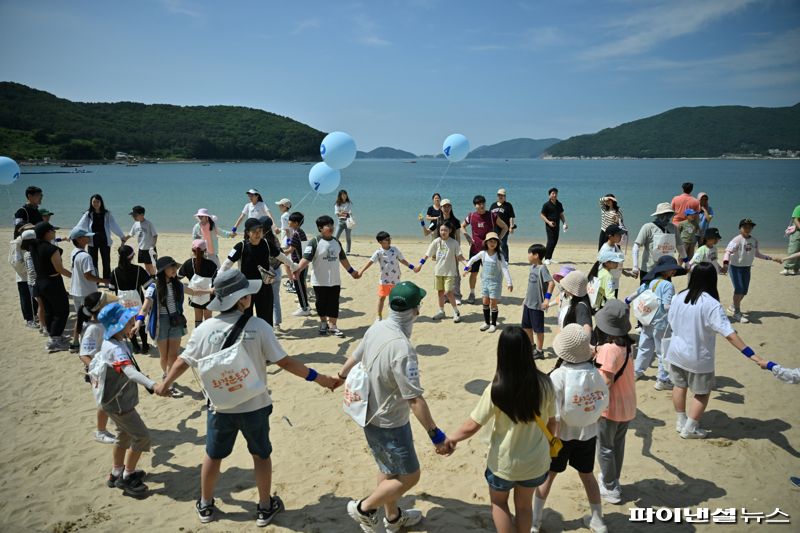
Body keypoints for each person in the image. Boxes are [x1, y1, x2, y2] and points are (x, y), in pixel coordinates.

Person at [155, 269, 340, 526]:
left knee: (213, 455)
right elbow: (285, 362)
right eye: (247, 294)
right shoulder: (258, 327)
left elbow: (183, 361)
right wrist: (319, 378)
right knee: (261, 455)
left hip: (219, 406)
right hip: (255, 404)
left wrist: (165, 383)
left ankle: (206, 505)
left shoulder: (205, 328)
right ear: (241, 299)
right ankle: (265, 508)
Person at [337, 282, 447, 533]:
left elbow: (356, 355)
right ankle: (364, 508)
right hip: (390, 421)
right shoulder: (402, 348)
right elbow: (414, 399)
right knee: (409, 476)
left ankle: (394, 518)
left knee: (387, 470)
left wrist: (340, 376)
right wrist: (436, 435)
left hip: (368, 413)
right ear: (415, 310)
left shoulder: (377, 327)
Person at [445, 326, 554, 533]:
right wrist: (549, 445)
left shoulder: (497, 388)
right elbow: (553, 423)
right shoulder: (546, 384)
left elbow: (472, 425)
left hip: (504, 462)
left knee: (499, 504)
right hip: (535, 460)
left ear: (502, 353)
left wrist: (451, 439)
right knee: (523, 506)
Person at [665, 262, 765, 439]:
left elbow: (671, 322)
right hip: (697, 357)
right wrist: (753, 355)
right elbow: (729, 334)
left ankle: (680, 420)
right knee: (702, 392)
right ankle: (689, 428)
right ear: (712, 280)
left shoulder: (679, 297)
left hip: (676, 352)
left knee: (679, 386)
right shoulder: (711, 304)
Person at [532, 324, 609, 533]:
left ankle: (534, 522)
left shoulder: (558, 375)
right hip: (588, 433)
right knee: (588, 475)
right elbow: (602, 402)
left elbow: (553, 415)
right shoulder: (594, 372)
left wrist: (550, 441)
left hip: (561, 436)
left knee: (548, 476)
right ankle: (597, 520)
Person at [95, 302, 158, 498]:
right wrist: (152, 384)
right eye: (129, 320)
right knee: (141, 436)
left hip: (114, 401)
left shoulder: (113, 341)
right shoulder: (116, 349)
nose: (132, 321)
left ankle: (116, 473)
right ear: (120, 325)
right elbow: (129, 372)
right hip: (119, 402)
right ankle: (128, 476)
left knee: (123, 434)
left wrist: (133, 328)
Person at [136, 256, 212, 398]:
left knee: (174, 355)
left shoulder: (178, 284)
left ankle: (169, 381)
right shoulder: (154, 286)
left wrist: (210, 291)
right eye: (171, 267)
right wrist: (138, 322)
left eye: (175, 267)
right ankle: (166, 374)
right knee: (164, 355)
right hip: (161, 323)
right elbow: (145, 307)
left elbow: (194, 291)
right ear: (163, 270)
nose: (174, 270)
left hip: (176, 321)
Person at [592, 300, 636, 505]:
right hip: (627, 404)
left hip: (611, 407)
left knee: (605, 447)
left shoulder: (609, 349)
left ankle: (610, 487)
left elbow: (606, 381)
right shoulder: (625, 345)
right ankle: (613, 479)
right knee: (618, 445)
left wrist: (592, 403)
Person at [294, 215, 360, 337]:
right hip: (319, 280)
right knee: (321, 304)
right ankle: (324, 322)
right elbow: (306, 259)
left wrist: (352, 272)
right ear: (320, 228)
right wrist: (297, 270)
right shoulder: (314, 242)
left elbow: (343, 259)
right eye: (327, 225)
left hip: (335, 280)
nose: (330, 227)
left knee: (334, 303)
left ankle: (333, 326)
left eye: (331, 225)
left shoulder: (336, 242)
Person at [221, 218, 295, 326]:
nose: (258, 234)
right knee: (246, 320)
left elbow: (280, 256)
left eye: (260, 231)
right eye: (254, 231)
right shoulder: (240, 247)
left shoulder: (266, 243)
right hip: (246, 289)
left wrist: (293, 266)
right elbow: (226, 264)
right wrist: (218, 280)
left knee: (265, 320)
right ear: (247, 232)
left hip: (264, 287)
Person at [626, 256, 684, 390]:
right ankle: (662, 379)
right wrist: (679, 306)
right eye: (672, 269)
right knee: (662, 351)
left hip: (646, 320)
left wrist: (627, 301)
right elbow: (666, 306)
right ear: (665, 270)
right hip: (661, 323)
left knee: (644, 346)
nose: (673, 272)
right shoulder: (668, 285)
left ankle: (637, 371)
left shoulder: (650, 281)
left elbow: (637, 292)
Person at [75, 291, 118, 444]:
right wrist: (98, 369)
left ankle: (115, 421)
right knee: (103, 402)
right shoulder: (93, 329)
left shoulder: (104, 323)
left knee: (113, 398)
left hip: (111, 369)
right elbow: (84, 354)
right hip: (101, 372)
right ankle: (100, 431)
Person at [722, 218, 781, 323]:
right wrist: (725, 264)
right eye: (745, 226)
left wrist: (771, 258)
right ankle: (737, 313)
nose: (747, 228)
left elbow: (757, 254)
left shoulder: (754, 240)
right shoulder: (736, 240)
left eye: (750, 227)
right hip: (735, 267)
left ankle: (733, 306)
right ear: (740, 228)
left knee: (744, 291)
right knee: (739, 289)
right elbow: (727, 252)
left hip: (747, 268)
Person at [31, 221, 72, 353]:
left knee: (49, 309)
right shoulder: (51, 249)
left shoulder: (33, 246)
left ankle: (54, 335)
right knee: (62, 310)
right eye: (52, 231)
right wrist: (74, 276)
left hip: (40, 281)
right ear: (47, 233)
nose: (54, 232)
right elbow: (59, 269)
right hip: (52, 282)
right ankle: (54, 341)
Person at [69, 228, 110, 352]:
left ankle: (75, 342)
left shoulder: (74, 252)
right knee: (91, 319)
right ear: (79, 239)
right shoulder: (86, 256)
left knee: (80, 317)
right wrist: (105, 281)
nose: (89, 238)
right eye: (86, 236)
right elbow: (88, 276)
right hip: (86, 292)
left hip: (76, 291)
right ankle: (88, 344)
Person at [414, 223, 465, 323]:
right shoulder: (436, 242)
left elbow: (460, 256)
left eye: (445, 230)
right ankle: (441, 311)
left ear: (450, 231)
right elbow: (427, 255)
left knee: (448, 292)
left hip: (450, 272)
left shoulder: (454, 243)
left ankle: (456, 312)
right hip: (438, 271)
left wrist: (467, 264)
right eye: (441, 230)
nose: (443, 232)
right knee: (440, 292)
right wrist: (420, 265)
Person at [462, 195, 509, 304]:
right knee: (473, 273)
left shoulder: (492, 216)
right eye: (478, 204)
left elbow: (505, 227)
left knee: (493, 273)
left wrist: (498, 239)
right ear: (475, 206)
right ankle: (472, 293)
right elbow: (462, 226)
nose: (481, 205)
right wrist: (467, 236)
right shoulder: (471, 216)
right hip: (475, 249)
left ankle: (493, 293)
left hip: (490, 251)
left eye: (483, 203)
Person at [463, 232, 513, 333]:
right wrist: (466, 268)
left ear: (497, 243)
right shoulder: (483, 253)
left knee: (493, 303)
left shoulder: (499, 256)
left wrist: (509, 282)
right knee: (485, 302)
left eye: (494, 241)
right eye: (490, 241)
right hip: (485, 282)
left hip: (495, 283)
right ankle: (486, 322)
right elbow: (472, 259)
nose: (492, 243)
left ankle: (493, 324)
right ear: (486, 243)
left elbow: (504, 268)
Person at [359, 231, 414, 320]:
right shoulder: (378, 252)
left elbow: (403, 260)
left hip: (396, 279)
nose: (389, 241)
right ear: (380, 242)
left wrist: (412, 267)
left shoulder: (395, 250)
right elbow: (370, 262)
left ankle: (393, 315)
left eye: (389, 238)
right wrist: (361, 271)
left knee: (394, 298)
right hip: (384, 280)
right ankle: (379, 315)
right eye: (386, 239)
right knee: (382, 298)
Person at [109, 245, 150, 354]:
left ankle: (136, 346)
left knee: (128, 324)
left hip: (123, 303)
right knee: (140, 322)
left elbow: (111, 288)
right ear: (132, 257)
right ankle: (145, 345)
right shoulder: (138, 270)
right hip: (138, 300)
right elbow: (148, 286)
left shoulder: (115, 272)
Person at [76, 194, 128, 279]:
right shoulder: (88, 214)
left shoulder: (107, 214)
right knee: (93, 262)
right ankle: (95, 280)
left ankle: (106, 279)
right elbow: (80, 225)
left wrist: (121, 236)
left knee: (106, 261)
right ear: (91, 202)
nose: (95, 203)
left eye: (97, 201)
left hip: (104, 240)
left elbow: (114, 225)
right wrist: (73, 235)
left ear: (101, 202)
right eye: (94, 202)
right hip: (92, 241)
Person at [632, 202, 688, 281]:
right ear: (658, 215)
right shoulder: (648, 227)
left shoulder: (673, 228)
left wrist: (687, 262)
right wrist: (635, 266)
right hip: (649, 269)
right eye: (664, 214)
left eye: (669, 214)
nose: (667, 217)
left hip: (666, 270)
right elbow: (636, 246)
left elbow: (680, 246)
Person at [521, 243, 553, 359]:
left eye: (529, 253)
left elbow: (551, 283)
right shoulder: (532, 267)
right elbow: (531, 286)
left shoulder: (542, 268)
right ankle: (532, 346)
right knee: (526, 327)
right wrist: (525, 298)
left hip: (537, 304)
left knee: (538, 329)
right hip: (528, 303)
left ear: (536, 255)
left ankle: (539, 351)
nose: (528, 256)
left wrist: (547, 299)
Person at [178, 239, 218, 328]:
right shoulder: (211, 264)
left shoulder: (188, 263)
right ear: (205, 250)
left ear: (192, 251)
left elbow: (177, 277)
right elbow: (216, 281)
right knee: (208, 318)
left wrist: (184, 287)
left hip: (194, 294)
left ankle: (198, 336)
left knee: (198, 318)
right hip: (209, 294)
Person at [10, 222, 37, 328]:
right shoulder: (16, 243)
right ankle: (29, 319)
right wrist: (28, 270)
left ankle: (36, 315)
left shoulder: (32, 240)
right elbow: (15, 262)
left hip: (34, 274)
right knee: (25, 298)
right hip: (23, 276)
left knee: (35, 297)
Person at [285, 212, 311, 317]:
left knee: (299, 286)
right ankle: (305, 306)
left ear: (296, 223)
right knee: (301, 286)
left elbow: (290, 250)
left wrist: (279, 253)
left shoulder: (296, 234)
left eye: (290, 221)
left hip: (299, 264)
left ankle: (304, 308)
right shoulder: (301, 232)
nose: (288, 222)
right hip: (303, 263)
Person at [21, 229, 46, 333]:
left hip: (35, 283)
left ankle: (42, 325)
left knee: (42, 305)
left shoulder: (30, 252)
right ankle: (43, 326)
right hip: (35, 283)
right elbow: (31, 271)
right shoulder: (29, 254)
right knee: (42, 305)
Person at [558, 271, 592, 335]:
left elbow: (587, 329)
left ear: (571, 290)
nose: (564, 289)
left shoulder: (581, 307)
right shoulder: (581, 299)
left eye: (565, 287)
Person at [539, 187, 568, 265]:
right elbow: (542, 215)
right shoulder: (546, 205)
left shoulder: (559, 204)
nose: (554, 195)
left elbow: (561, 214)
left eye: (556, 193)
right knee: (551, 241)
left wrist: (564, 223)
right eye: (553, 193)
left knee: (555, 241)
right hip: (549, 225)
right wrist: (548, 222)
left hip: (557, 225)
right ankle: (546, 258)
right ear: (549, 195)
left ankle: (550, 257)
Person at [128, 205, 158, 277]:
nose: (133, 217)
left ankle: (153, 277)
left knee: (151, 265)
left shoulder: (148, 224)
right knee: (146, 264)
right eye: (133, 215)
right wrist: (123, 239)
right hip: (141, 248)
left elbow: (155, 235)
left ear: (142, 215)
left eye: (135, 215)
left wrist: (152, 246)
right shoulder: (136, 224)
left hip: (149, 249)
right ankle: (149, 277)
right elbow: (130, 234)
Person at [491, 188, 516, 260]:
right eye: (499, 195)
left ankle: (506, 259)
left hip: (504, 228)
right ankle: (495, 257)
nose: (500, 196)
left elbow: (511, 217)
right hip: (494, 228)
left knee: (503, 244)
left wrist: (511, 227)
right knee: (493, 243)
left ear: (505, 196)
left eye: (502, 195)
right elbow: (489, 216)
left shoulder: (508, 205)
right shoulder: (493, 205)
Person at [274, 198, 294, 287]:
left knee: (286, 263)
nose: (279, 207)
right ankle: (291, 281)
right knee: (287, 262)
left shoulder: (284, 216)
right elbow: (287, 228)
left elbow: (287, 230)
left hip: (286, 241)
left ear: (285, 206)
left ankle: (292, 282)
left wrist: (289, 241)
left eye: (280, 205)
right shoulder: (288, 215)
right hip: (288, 239)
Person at [779, 204, 800, 275]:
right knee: (793, 250)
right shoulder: (798, 208)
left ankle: (796, 269)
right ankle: (786, 268)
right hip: (797, 233)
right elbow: (795, 220)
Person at [334, 189, 354, 254]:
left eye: (345, 195)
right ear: (340, 196)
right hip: (340, 222)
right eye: (343, 195)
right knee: (336, 237)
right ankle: (334, 249)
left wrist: (342, 212)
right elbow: (337, 213)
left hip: (348, 221)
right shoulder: (337, 204)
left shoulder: (349, 203)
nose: (344, 196)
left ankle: (348, 251)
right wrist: (343, 213)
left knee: (348, 237)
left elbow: (350, 212)